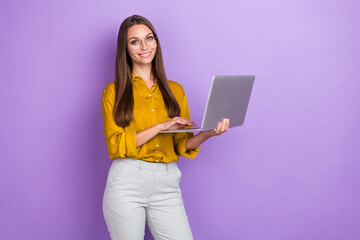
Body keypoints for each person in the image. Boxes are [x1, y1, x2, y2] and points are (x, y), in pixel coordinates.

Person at [102, 15, 229, 240]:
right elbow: (116, 145)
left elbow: (182, 145)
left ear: (157, 42)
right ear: (125, 48)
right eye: (135, 41)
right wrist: (161, 126)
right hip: (127, 181)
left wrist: (209, 133)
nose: (144, 46)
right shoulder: (114, 91)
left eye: (149, 38)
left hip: (167, 183)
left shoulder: (175, 91)